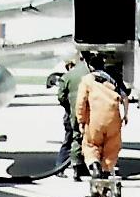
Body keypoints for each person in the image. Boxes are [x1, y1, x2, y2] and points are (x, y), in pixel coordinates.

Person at [75, 54, 129, 188]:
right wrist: (125, 115)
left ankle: (95, 169)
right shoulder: (113, 79)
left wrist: (81, 121)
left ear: (90, 67)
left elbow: (81, 103)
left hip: (95, 120)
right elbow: (125, 97)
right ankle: (106, 173)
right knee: (111, 147)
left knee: (90, 145)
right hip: (113, 118)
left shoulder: (87, 80)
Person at [55, 54, 91, 180]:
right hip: (88, 112)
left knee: (70, 139)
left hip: (71, 113)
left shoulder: (67, 76)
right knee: (85, 140)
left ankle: (61, 167)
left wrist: (69, 107)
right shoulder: (91, 74)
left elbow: (61, 97)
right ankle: (80, 167)